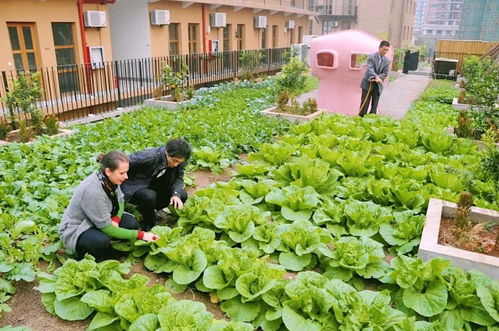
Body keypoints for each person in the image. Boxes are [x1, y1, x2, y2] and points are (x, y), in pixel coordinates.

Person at [58, 151, 159, 261]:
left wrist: (116, 219)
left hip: (101, 218)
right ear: (108, 171)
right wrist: (142, 235)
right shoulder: (93, 191)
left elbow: (120, 201)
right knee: (99, 242)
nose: (126, 176)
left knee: (131, 223)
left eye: (126, 172)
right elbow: (108, 229)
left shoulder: (110, 180)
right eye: (122, 173)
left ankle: (108, 245)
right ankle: (89, 253)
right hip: (78, 227)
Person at [122, 139, 191, 231]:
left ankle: (147, 211)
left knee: (181, 194)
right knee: (149, 196)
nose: (176, 164)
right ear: (167, 152)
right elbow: (121, 162)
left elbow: (179, 179)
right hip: (135, 186)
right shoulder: (149, 156)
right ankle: (149, 224)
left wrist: (175, 195)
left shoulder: (179, 161)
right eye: (174, 161)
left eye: (179, 162)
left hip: (154, 183)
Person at [359, 40, 391, 116]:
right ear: (379, 48)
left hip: (378, 85)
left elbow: (386, 73)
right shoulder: (371, 57)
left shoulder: (387, 61)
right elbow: (369, 68)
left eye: (387, 50)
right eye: (384, 49)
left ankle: (372, 119)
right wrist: (375, 76)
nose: (385, 51)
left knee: (375, 104)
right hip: (368, 83)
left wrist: (378, 78)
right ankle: (360, 119)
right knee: (365, 103)